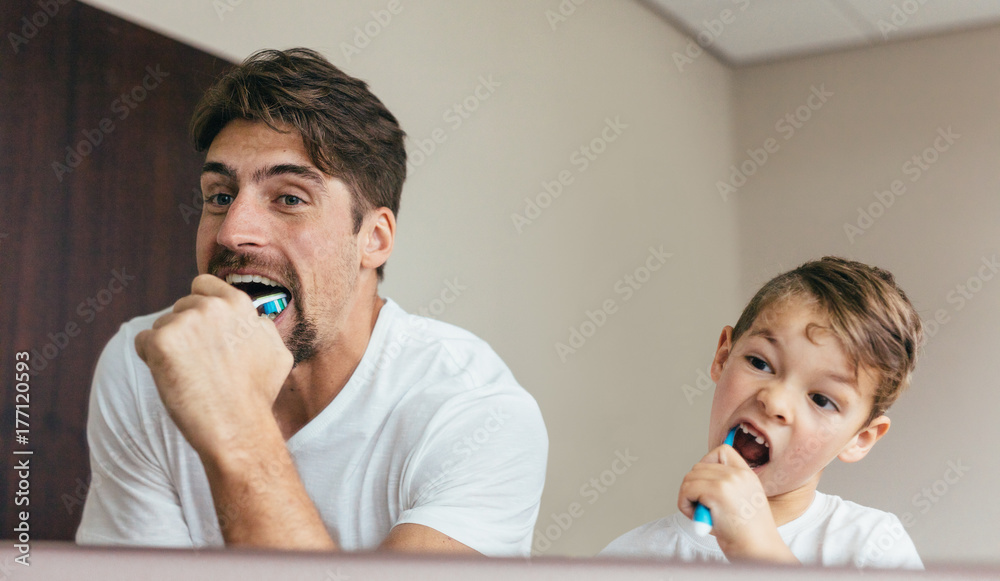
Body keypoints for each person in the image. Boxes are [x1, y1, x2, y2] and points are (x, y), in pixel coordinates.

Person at [76, 48, 547, 556]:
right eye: (218, 196)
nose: (234, 232)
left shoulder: (476, 413)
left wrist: (235, 426)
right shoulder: (144, 361)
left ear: (374, 239)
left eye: (290, 198)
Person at [600, 257, 923, 568]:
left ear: (860, 438)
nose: (775, 402)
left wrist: (757, 551)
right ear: (723, 357)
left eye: (822, 400)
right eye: (760, 363)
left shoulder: (872, 547)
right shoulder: (628, 559)